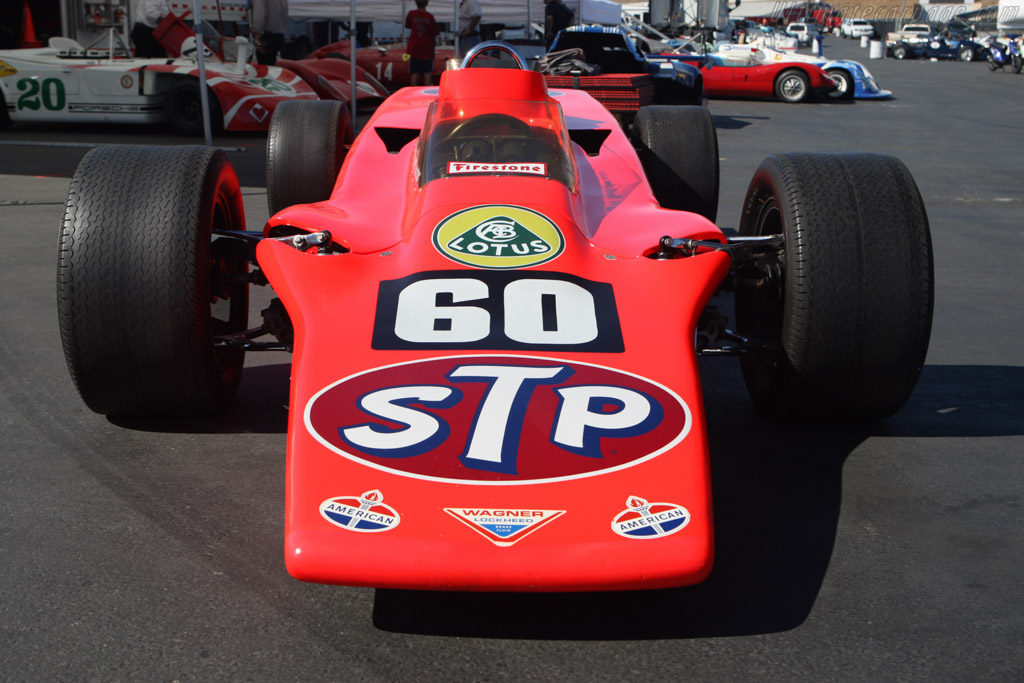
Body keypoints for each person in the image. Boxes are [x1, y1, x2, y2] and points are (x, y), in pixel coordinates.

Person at [405, 0, 440, 86]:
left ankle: (413, 94)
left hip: (415, 48)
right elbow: (434, 34)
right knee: (427, 73)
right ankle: (427, 95)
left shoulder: (411, 14)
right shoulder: (430, 17)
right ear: (427, 3)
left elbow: (408, 25)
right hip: (427, 48)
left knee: (414, 73)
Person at [252, 0, 288, 66]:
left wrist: (257, 34)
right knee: (271, 63)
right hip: (278, 35)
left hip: (266, 36)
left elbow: (259, 16)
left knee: (263, 66)